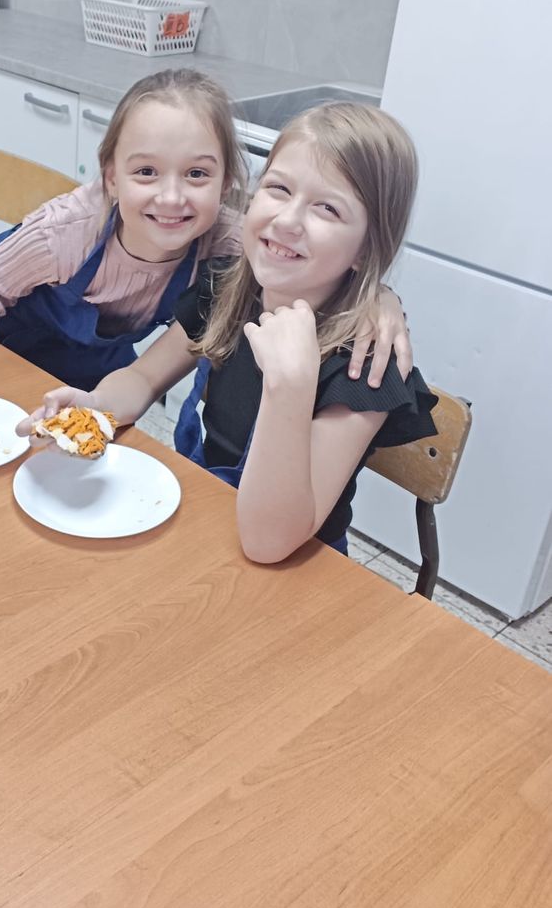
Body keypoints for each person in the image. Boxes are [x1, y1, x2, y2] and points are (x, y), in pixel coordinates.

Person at [22, 102, 437, 563]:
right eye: (279, 188)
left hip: (288, 566)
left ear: (366, 248)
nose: (287, 221)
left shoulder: (363, 366)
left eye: (327, 208)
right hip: (206, 518)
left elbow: (269, 542)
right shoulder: (227, 289)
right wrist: (95, 407)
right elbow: (143, 378)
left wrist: (289, 387)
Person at [0, 70, 410, 403]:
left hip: (95, 372)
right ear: (111, 177)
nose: (171, 199)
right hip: (0, 349)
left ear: (226, 183)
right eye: (146, 172)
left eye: (197, 175)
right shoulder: (68, 232)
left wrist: (377, 296)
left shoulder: (227, 239)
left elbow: (304, 258)